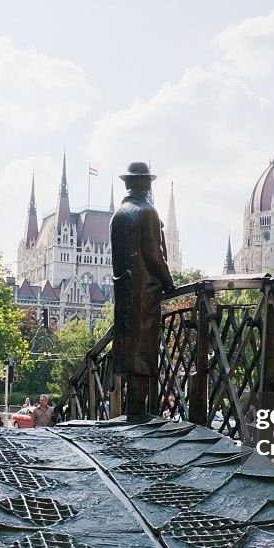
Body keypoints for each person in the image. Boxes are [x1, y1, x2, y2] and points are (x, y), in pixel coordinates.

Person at [110, 162, 175, 419]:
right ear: (145, 184)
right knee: (143, 352)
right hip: (145, 292)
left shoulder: (120, 214)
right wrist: (169, 282)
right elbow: (154, 255)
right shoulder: (147, 211)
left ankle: (132, 410)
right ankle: (138, 413)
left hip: (124, 294)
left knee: (129, 351)